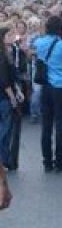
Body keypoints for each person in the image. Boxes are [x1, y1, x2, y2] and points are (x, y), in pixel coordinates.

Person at [35, 15, 62, 172]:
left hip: (45, 86)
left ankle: (46, 162)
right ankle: (59, 161)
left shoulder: (39, 43)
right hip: (60, 86)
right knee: (60, 125)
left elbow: (34, 54)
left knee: (46, 125)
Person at [0, 29, 21, 170]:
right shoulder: (2, 56)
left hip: (6, 94)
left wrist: (18, 90)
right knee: (5, 130)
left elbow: (12, 77)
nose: (13, 37)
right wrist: (12, 96)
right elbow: (5, 80)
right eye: (9, 35)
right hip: (4, 97)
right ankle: (3, 161)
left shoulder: (9, 53)